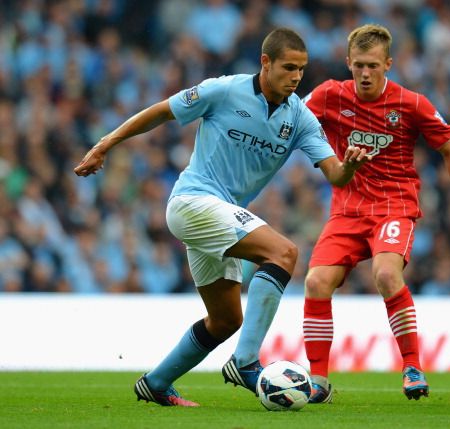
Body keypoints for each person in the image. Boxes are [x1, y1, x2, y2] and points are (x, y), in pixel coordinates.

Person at [74, 27, 370, 407]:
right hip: (192, 202)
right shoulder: (225, 90)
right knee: (283, 253)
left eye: (301, 69)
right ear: (265, 63)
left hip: (221, 217)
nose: (296, 77)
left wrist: (349, 166)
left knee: (226, 320)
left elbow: (333, 173)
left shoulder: (299, 118)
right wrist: (105, 144)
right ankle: (246, 362)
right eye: (289, 67)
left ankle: (156, 383)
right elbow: (161, 112)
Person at [301, 24, 450, 403]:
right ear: (347, 63)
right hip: (347, 209)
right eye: (358, 66)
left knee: (386, 274)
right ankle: (318, 381)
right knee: (315, 283)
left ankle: (412, 366)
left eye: (373, 65)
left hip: (394, 206)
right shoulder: (328, 96)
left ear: (388, 63)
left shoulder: (411, 103)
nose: (365, 74)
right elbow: (289, 124)